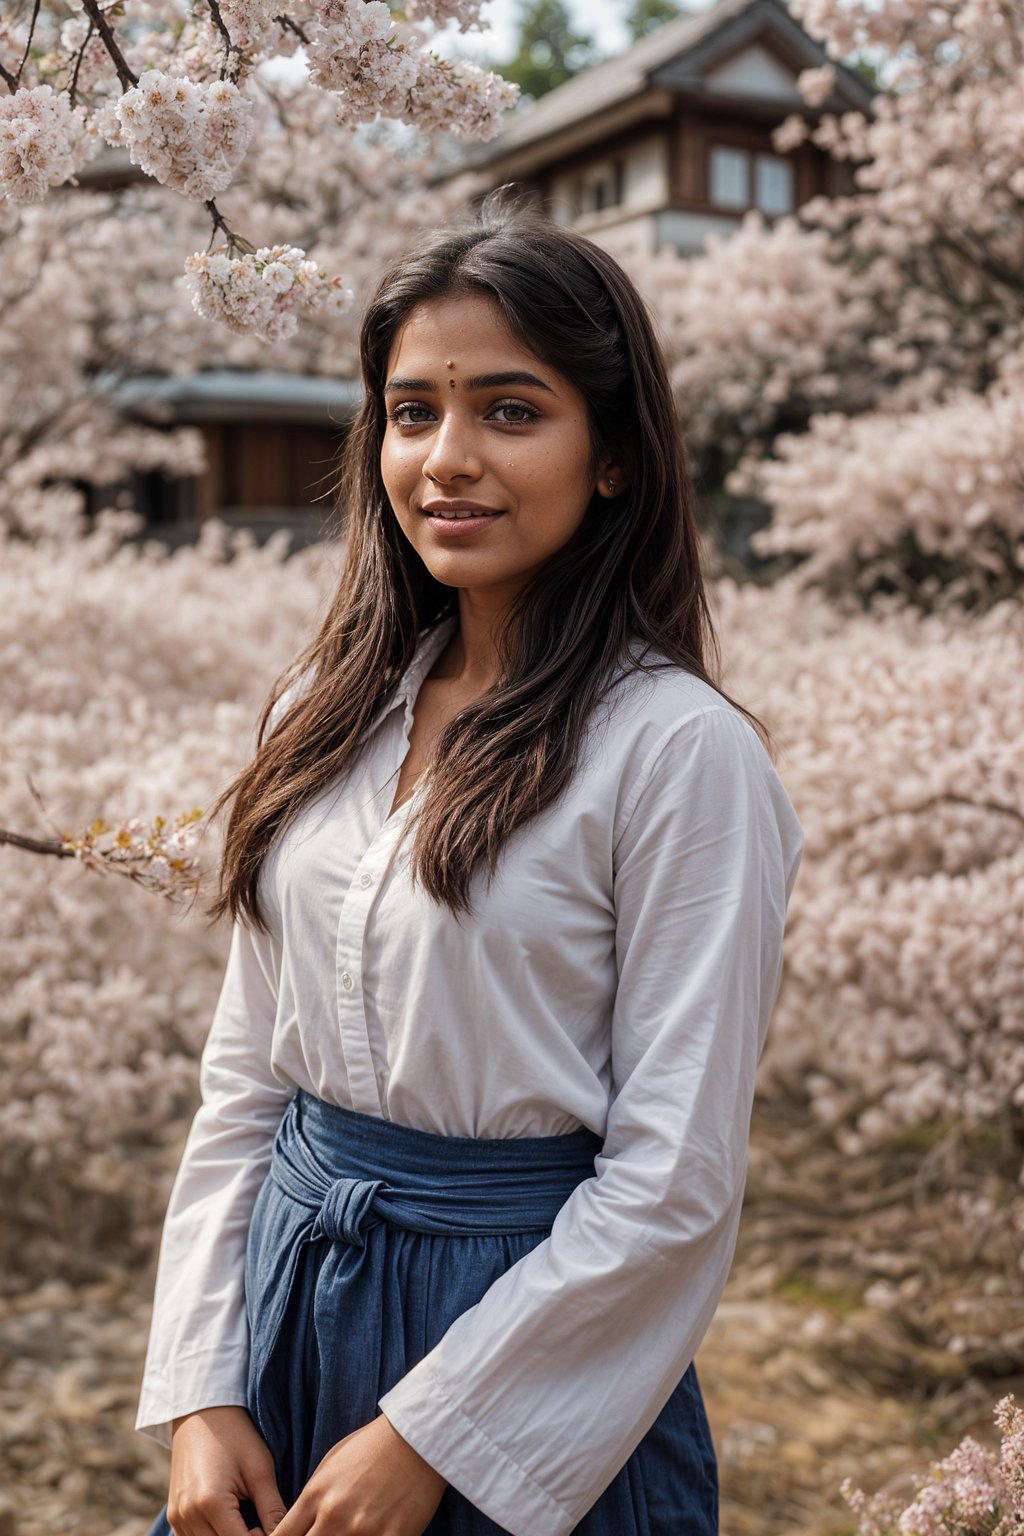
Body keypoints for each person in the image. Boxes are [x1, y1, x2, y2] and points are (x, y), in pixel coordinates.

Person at [135, 191, 805, 1536]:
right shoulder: (323, 709)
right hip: (291, 1294)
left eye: (511, 409)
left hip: (530, 1336)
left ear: (612, 453)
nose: (447, 456)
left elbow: (674, 1176)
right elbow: (250, 1076)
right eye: (412, 410)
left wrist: (436, 1438)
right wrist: (202, 1389)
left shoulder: (675, 752)